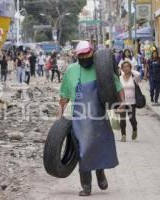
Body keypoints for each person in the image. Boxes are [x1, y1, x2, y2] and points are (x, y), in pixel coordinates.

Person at [59, 41, 124, 196]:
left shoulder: (101, 69)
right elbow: (64, 95)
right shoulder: (71, 71)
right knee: (83, 150)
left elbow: (117, 86)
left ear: (92, 52)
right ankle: (86, 185)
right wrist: (60, 115)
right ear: (77, 55)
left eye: (86, 54)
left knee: (99, 146)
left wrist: (122, 103)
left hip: (99, 116)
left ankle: (100, 173)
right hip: (79, 119)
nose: (84, 57)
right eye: (80, 55)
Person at [119, 61, 139, 142]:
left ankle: (135, 129)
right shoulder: (120, 78)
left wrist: (131, 70)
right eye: (124, 67)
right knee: (122, 119)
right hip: (122, 102)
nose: (126, 68)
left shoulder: (134, 77)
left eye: (127, 66)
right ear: (122, 68)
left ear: (130, 67)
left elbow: (138, 74)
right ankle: (123, 135)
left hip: (132, 102)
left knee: (132, 119)